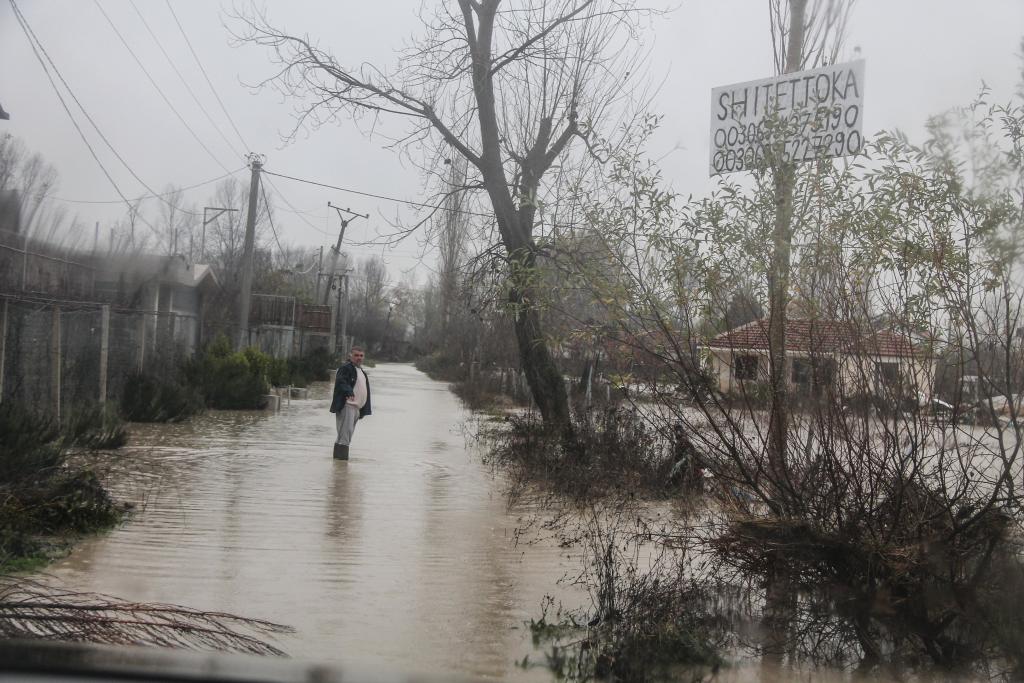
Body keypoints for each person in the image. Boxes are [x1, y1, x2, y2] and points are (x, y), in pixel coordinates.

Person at [329, 347, 371, 460]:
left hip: (356, 408)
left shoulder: (361, 371)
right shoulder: (346, 368)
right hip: (347, 406)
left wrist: (363, 410)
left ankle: (337, 464)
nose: (359, 358)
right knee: (345, 436)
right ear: (350, 356)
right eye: (356, 355)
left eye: (361, 355)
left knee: (345, 436)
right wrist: (348, 390)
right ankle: (342, 467)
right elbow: (341, 381)